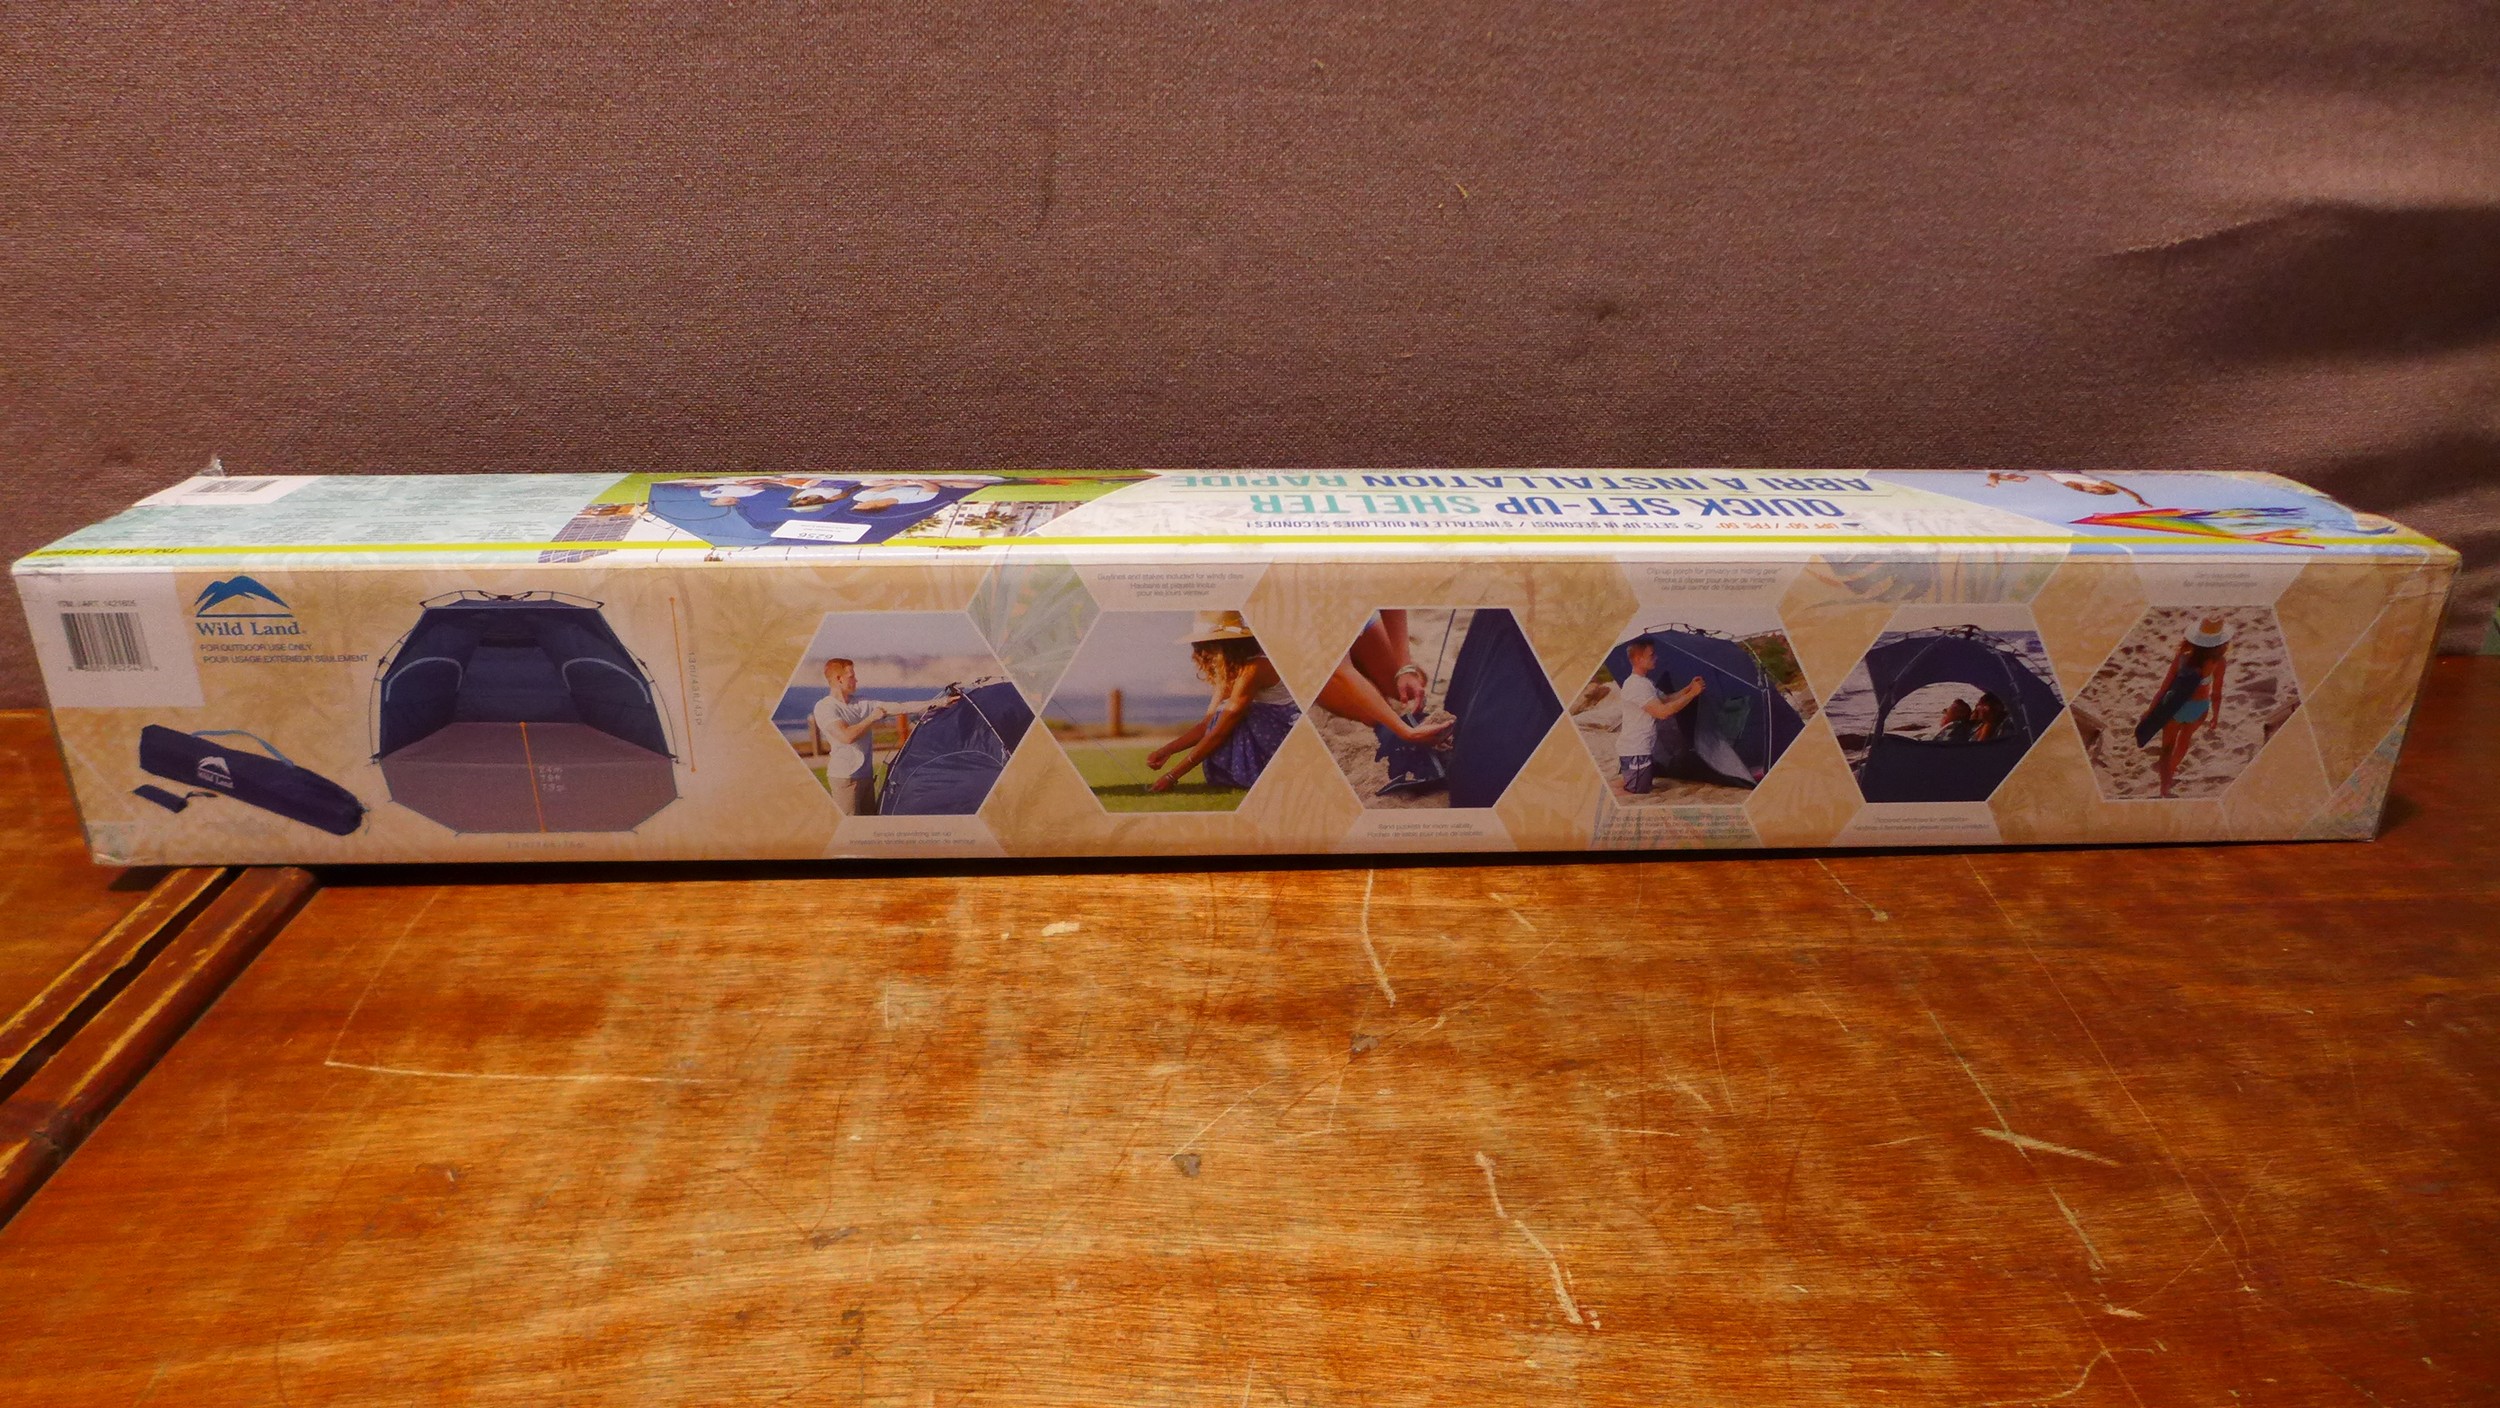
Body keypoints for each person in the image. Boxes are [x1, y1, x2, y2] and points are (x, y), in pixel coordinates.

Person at [1144, 612, 1301, 793]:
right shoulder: (1231, 669)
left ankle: (1260, 776)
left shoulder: (1255, 668)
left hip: (1288, 736)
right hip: (1267, 733)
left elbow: (1220, 731)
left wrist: (1172, 776)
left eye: (1206, 646)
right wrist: (1168, 750)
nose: (1202, 653)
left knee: (1234, 715)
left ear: (1226, 645)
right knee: (1222, 715)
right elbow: (1207, 724)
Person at [1316, 608, 1452, 748]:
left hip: (1351, 618)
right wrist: (1406, 732)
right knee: (1375, 716)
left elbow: (1392, 603)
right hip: (1313, 642)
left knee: (1413, 685)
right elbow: (1342, 670)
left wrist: (1405, 668)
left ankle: (1359, 664)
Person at [2137, 615, 2233, 798]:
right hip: (2199, 708)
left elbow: (2164, 688)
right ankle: (2172, 772)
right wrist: (2215, 716)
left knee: (2167, 748)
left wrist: (2150, 711)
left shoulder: (2183, 658)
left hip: (2176, 707)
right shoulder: (2219, 662)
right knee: (2185, 741)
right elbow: (2216, 693)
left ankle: (2164, 787)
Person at [1610, 638, 1707, 795]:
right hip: (1636, 750)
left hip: (1638, 750)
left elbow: (1666, 699)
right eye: (1652, 655)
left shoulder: (1645, 682)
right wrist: (1693, 694)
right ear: (1638, 659)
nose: (1656, 658)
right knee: (1637, 791)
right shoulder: (1637, 685)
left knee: (1636, 784)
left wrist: (1689, 688)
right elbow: (1663, 712)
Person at [808, 657, 887, 816]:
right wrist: (871, 718)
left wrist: (937, 703)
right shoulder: (825, 707)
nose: (856, 680)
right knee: (850, 827)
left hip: (865, 777)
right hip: (845, 778)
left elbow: (900, 707)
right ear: (839, 679)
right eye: (852, 676)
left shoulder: (861, 702)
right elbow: (846, 737)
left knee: (869, 826)